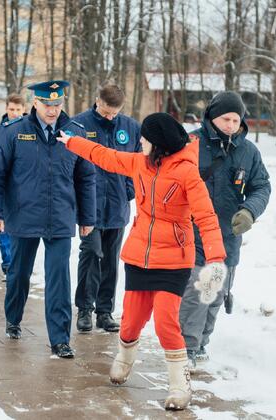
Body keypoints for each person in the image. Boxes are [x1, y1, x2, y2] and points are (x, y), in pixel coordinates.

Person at [56, 112, 227, 410]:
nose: (141, 142)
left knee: (164, 322)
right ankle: (124, 358)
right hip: (139, 256)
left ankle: (179, 385)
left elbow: (206, 215)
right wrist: (72, 142)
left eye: (145, 138)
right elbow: (105, 156)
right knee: (131, 321)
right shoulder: (140, 163)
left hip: (174, 259)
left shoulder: (187, 172)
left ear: (158, 142)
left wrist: (215, 257)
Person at [0, 80, 96, 359]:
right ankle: (13, 318)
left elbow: (86, 178)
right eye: (47, 104)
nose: (53, 110)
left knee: (59, 277)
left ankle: (60, 340)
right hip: (23, 215)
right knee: (19, 272)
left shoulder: (75, 134)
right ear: (35, 103)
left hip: (60, 215)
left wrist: (87, 217)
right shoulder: (14, 132)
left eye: (58, 104)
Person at [179, 92, 271, 369]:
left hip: (228, 234)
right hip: (193, 232)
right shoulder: (190, 144)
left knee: (216, 292)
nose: (231, 124)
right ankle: (187, 347)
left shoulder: (248, 151)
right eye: (225, 119)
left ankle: (202, 342)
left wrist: (250, 211)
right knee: (197, 291)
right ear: (211, 117)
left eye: (236, 119)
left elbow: (262, 186)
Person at [72, 84, 141, 333]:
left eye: (115, 112)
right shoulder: (78, 125)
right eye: (106, 111)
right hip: (89, 205)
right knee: (91, 254)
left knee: (111, 259)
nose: (110, 117)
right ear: (97, 100)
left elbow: (139, 161)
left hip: (117, 205)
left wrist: (129, 190)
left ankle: (105, 311)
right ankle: (84, 310)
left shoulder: (131, 127)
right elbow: (70, 164)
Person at [0, 93, 27, 278]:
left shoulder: (31, 129)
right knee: (4, 230)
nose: (15, 113)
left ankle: (20, 265)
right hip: (5, 189)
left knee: (22, 231)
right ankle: (9, 266)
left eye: (18, 110)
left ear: (24, 110)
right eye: (11, 109)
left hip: (26, 189)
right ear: (6, 109)